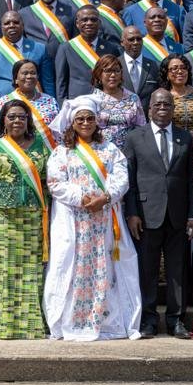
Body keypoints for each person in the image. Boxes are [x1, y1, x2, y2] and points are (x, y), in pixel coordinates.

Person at [43, 95, 140, 341]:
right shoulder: (62, 152)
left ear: (97, 122)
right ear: (72, 123)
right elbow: (55, 183)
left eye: (90, 118)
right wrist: (85, 198)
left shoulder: (110, 149)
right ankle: (73, 321)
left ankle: (106, 321)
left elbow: (122, 178)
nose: (85, 123)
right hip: (75, 220)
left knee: (105, 269)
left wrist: (106, 197)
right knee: (73, 268)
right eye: (80, 119)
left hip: (105, 220)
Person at [124, 89, 193, 339]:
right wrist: (132, 213)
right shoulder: (135, 137)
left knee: (178, 271)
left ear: (173, 108)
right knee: (148, 271)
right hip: (146, 215)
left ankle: (176, 321)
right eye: (158, 104)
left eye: (167, 104)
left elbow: (190, 180)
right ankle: (148, 321)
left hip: (178, 214)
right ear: (149, 109)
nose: (163, 108)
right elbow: (130, 180)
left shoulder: (185, 137)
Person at [0, 100, 49, 339]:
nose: (17, 121)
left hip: (33, 218)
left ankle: (31, 326)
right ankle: (4, 324)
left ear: (28, 120)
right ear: (3, 121)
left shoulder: (41, 147)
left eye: (21, 117)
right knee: (5, 269)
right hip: (4, 218)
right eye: (11, 117)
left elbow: (50, 183)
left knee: (32, 271)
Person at [54, 5, 120, 101]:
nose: (89, 23)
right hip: (78, 103)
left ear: (99, 23)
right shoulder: (66, 48)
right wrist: (63, 105)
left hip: (106, 101)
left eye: (93, 20)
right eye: (84, 20)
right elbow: (61, 82)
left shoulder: (111, 48)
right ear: (77, 23)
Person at [0, 10, 51, 103]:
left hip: (35, 103)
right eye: (7, 23)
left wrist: (51, 102)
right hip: (2, 104)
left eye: (16, 22)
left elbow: (48, 83)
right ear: (1, 27)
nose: (12, 25)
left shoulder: (39, 48)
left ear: (23, 25)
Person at [87, 55, 145, 150]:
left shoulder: (133, 98)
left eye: (117, 71)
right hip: (101, 152)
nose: (113, 75)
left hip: (129, 151)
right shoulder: (92, 100)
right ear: (99, 74)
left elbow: (141, 128)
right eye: (108, 71)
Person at [0, 59, 58, 135]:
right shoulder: (0, 104)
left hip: (46, 146)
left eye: (33, 73)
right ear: (16, 79)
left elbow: (58, 131)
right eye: (25, 73)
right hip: (14, 146)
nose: (29, 76)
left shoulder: (50, 101)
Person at [161, 53, 193, 134]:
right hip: (171, 140)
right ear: (167, 74)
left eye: (183, 68)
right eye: (174, 68)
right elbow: (155, 121)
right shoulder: (162, 95)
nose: (180, 71)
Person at [119, 25, 159, 110]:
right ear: (122, 42)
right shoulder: (115, 65)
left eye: (139, 39)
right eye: (131, 39)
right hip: (122, 118)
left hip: (147, 119)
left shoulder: (154, 66)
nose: (136, 42)